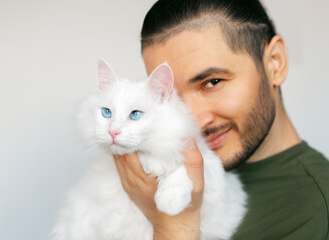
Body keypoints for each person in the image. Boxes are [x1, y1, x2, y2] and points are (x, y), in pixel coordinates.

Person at [114, 0, 329, 239]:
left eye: (213, 82)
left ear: (275, 63)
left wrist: (173, 227)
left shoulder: (317, 212)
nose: (193, 121)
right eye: (168, 97)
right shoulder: (146, 180)